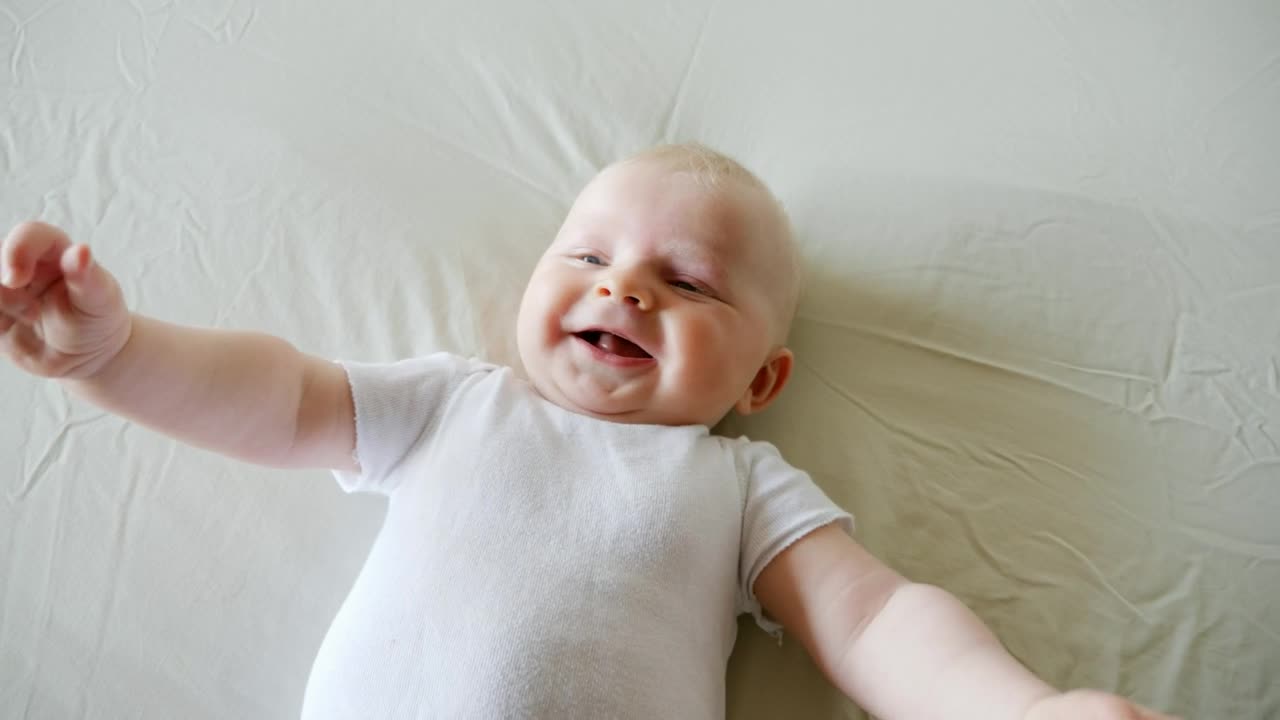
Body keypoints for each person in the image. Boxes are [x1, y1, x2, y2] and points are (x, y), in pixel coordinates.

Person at [0, 143, 1177, 719]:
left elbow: (871, 617)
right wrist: (119, 354)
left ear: (761, 378)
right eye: (586, 257)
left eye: (689, 283)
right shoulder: (455, 403)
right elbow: (285, 399)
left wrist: (1019, 710)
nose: (622, 289)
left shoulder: (733, 482)